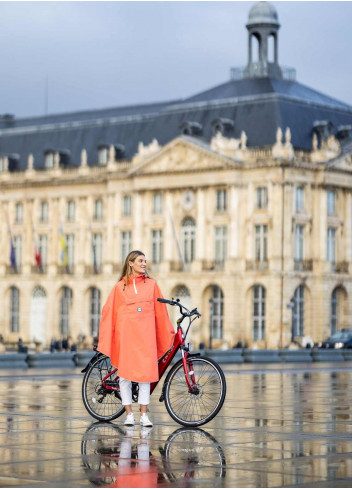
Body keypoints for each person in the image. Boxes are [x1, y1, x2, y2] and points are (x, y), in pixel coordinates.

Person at [97, 250, 175, 428]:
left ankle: (144, 415)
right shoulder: (119, 287)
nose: (144, 263)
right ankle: (129, 414)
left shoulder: (152, 285)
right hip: (127, 338)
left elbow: (160, 313)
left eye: (145, 261)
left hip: (145, 338)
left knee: (145, 376)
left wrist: (165, 333)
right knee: (124, 376)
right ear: (130, 263)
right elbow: (110, 311)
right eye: (140, 260)